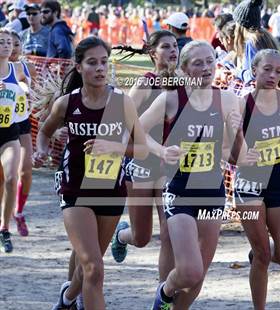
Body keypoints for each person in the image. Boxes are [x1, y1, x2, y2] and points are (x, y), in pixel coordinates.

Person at [32, 36, 148, 309]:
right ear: (79, 67)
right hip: (75, 188)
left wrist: (115, 146)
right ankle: (73, 297)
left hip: (110, 191)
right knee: (94, 268)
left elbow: (142, 149)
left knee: (88, 267)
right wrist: (41, 150)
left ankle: (67, 297)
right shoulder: (66, 103)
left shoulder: (122, 103)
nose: (99, 68)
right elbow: (45, 132)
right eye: (92, 63)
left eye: (104, 63)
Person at [144, 41, 243, 309]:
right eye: (198, 63)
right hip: (179, 191)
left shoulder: (228, 100)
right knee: (189, 270)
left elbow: (236, 156)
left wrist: (237, 132)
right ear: (185, 69)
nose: (206, 68)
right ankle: (164, 292)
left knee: (199, 275)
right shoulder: (172, 99)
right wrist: (161, 151)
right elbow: (137, 131)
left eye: (210, 61)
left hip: (212, 193)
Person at [235, 49, 280, 310]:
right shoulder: (243, 103)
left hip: (278, 182)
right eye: (267, 69)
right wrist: (242, 154)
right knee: (265, 255)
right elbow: (228, 150)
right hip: (249, 184)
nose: (272, 75)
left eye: (278, 71)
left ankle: (257, 254)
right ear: (254, 70)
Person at [110, 30, 179, 284]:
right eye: (165, 47)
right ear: (152, 53)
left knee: (169, 234)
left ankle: (164, 295)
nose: (173, 50)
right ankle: (121, 236)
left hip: (168, 166)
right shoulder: (144, 84)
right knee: (141, 237)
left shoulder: (182, 84)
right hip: (140, 163)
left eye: (175, 45)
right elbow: (124, 123)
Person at [2, 30, 35, 237]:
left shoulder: (26, 67)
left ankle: (18, 212)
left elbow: (37, 94)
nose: (12, 48)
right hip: (6, 123)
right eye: (7, 43)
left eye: (15, 44)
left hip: (21, 123)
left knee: (25, 171)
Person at [0, 28, 27, 253]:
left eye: (9, 42)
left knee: (11, 178)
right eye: (1, 42)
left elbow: (27, 85)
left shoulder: (17, 68)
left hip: (10, 131)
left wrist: (26, 90)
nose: (7, 46)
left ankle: (4, 229)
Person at [232, 0, 279, 84]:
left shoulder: (252, 42)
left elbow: (254, 74)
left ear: (240, 24)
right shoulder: (266, 37)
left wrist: (237, 72)